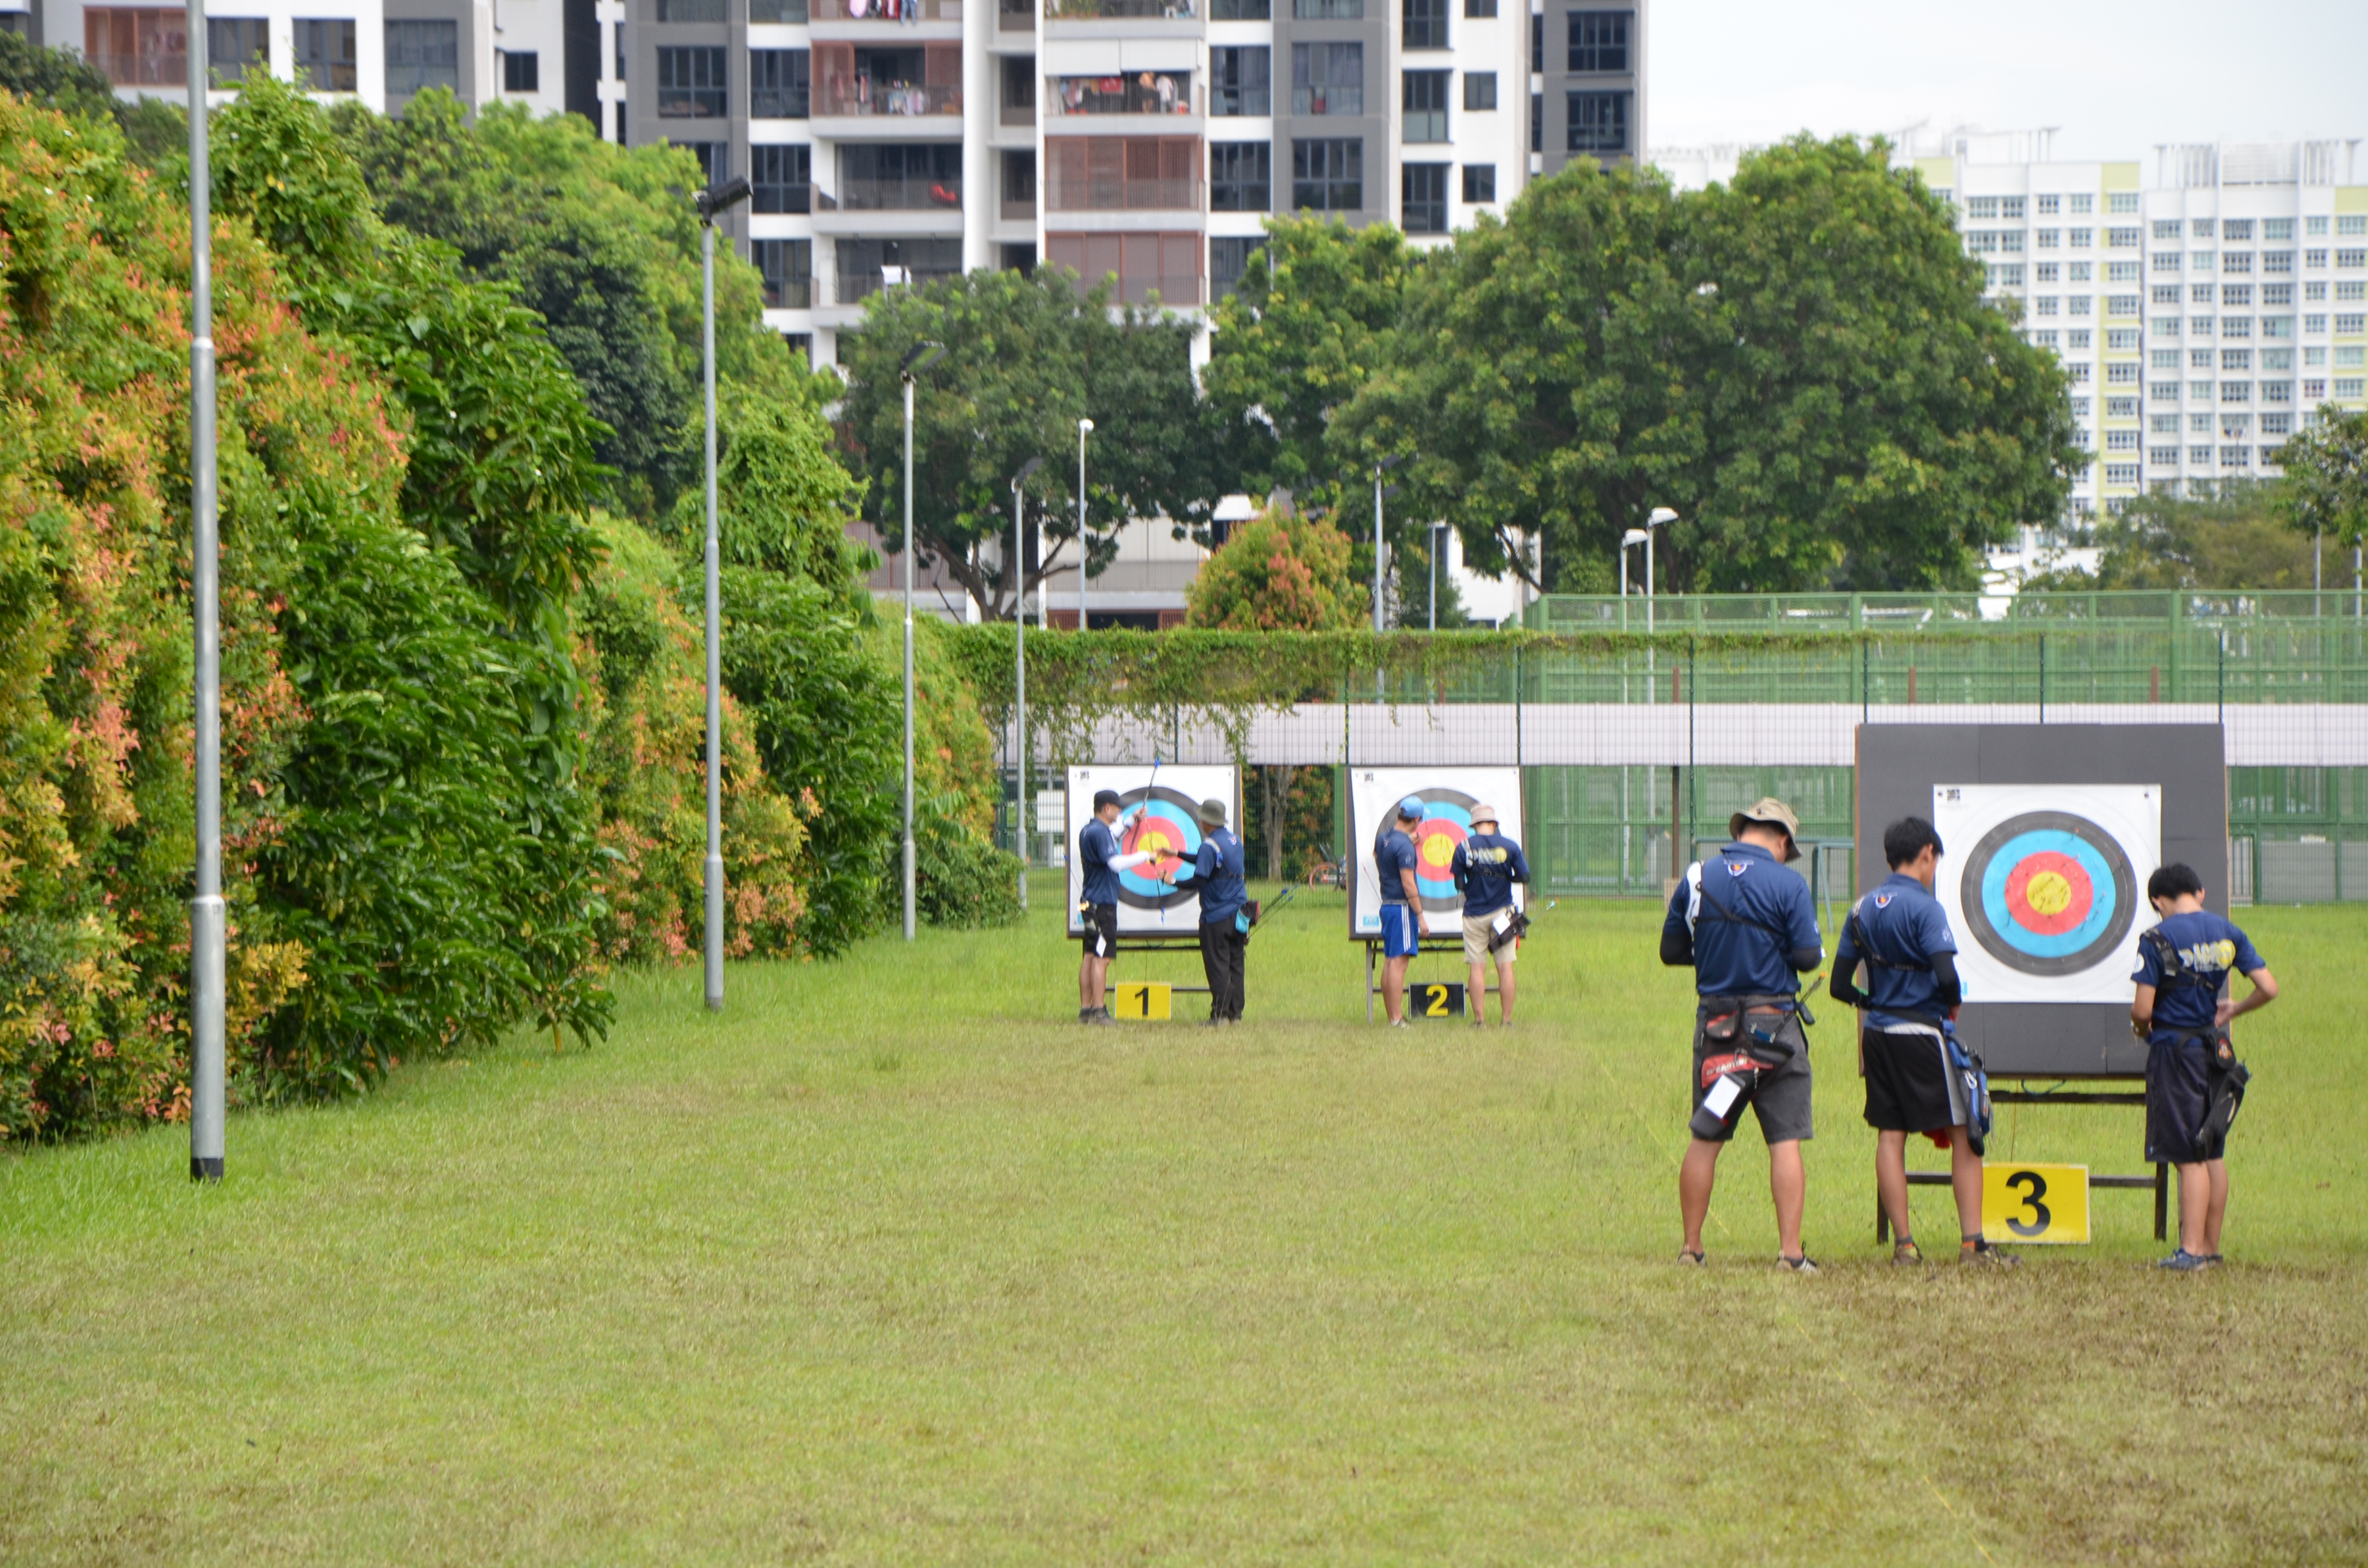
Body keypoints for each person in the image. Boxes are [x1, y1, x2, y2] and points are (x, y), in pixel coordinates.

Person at [1830, 816, 2015, 1268]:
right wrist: (1951, 1004)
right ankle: (1973, 1245)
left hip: (1878, 1035)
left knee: (1891, 1135)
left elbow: (1838, 985)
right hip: (1922, 1034)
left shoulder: (1861, 909)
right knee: (1965, 1133)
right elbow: (1947, 976)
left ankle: (1905, 1247)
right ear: (1927, 854)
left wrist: (1870, 1002)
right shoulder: (1926, 909)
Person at [1660, 797, 1825, 1272]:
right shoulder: (1789, 883)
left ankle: (1691, 1249)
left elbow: (1671, 950)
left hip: (1719, 1032)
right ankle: (1790, 1254)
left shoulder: (1697, 878)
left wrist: (1716, 953)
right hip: (1775, 1031)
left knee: (1706, 1136)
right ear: (1782, 840)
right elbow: (1808, 957)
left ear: (1741, 832)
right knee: (1785, 1140)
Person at [2131, 862, 2277, 1271]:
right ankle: (2209, 1248)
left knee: (2187, 1155)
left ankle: (2191, 1251)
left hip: (2176, 1052)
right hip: (2215, 1051)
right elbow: (2268, 987)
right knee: (2211, 1149)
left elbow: (2143, 1009)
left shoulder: (2157, 938)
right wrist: (2234, 1008)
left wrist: (2140, 1028)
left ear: (2158, 901)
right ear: (2200, 893)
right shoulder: (2228, 932)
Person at [1076, 789, 1158, 1025]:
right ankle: (1099, 1011)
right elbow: (1115, 863)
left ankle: (1086, 1010)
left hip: (1089, 902)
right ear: (1107, 808)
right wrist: (1146, 855)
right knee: (1102, 958)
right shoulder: (1100, 833)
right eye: (1118, 809)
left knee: (1090, 955)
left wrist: (1132, 820)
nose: (1120, 812)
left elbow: (1113, 836)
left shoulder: (1088, 830)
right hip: (1104, 905)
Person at [1164, 797, 1249, 1025]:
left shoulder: (1209, 845)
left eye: (1202, 818)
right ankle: (1235, 1015)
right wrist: (1178, 853)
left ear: (1207, 821)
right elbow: (1211, 862)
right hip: (1239, 914)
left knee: (1218, 965)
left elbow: (1200, 880)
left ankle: (1219, 1016)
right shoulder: (1234, 841)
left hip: (1216, 916)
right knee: (1236, 963)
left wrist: (1173, 881)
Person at [1450, 804, 1530, 1027]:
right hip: (1502, 914)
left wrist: (1471, 885)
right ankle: (1506, 1021)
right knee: (1505, 967)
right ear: (1494, 824)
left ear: (1474, 825)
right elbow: (1525, 877)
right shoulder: (1510, 846)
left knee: (1477, 967)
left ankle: (1480, 1021)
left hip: (1474, 915)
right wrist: (1505, 878)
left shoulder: (1464, 847)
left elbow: (1459, 884)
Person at [1374, 797, 1429, 1025]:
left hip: (1388, 905)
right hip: (1402, 909)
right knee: (1399, 963)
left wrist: (1408, 843)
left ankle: (1392, 1017)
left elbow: (1378, 856)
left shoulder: (1383, 839)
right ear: (1416, 819)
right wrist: (1420, 916)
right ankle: (1397, 1019)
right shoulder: (1404, 846)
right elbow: (1408, 884)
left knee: (1390, 961)